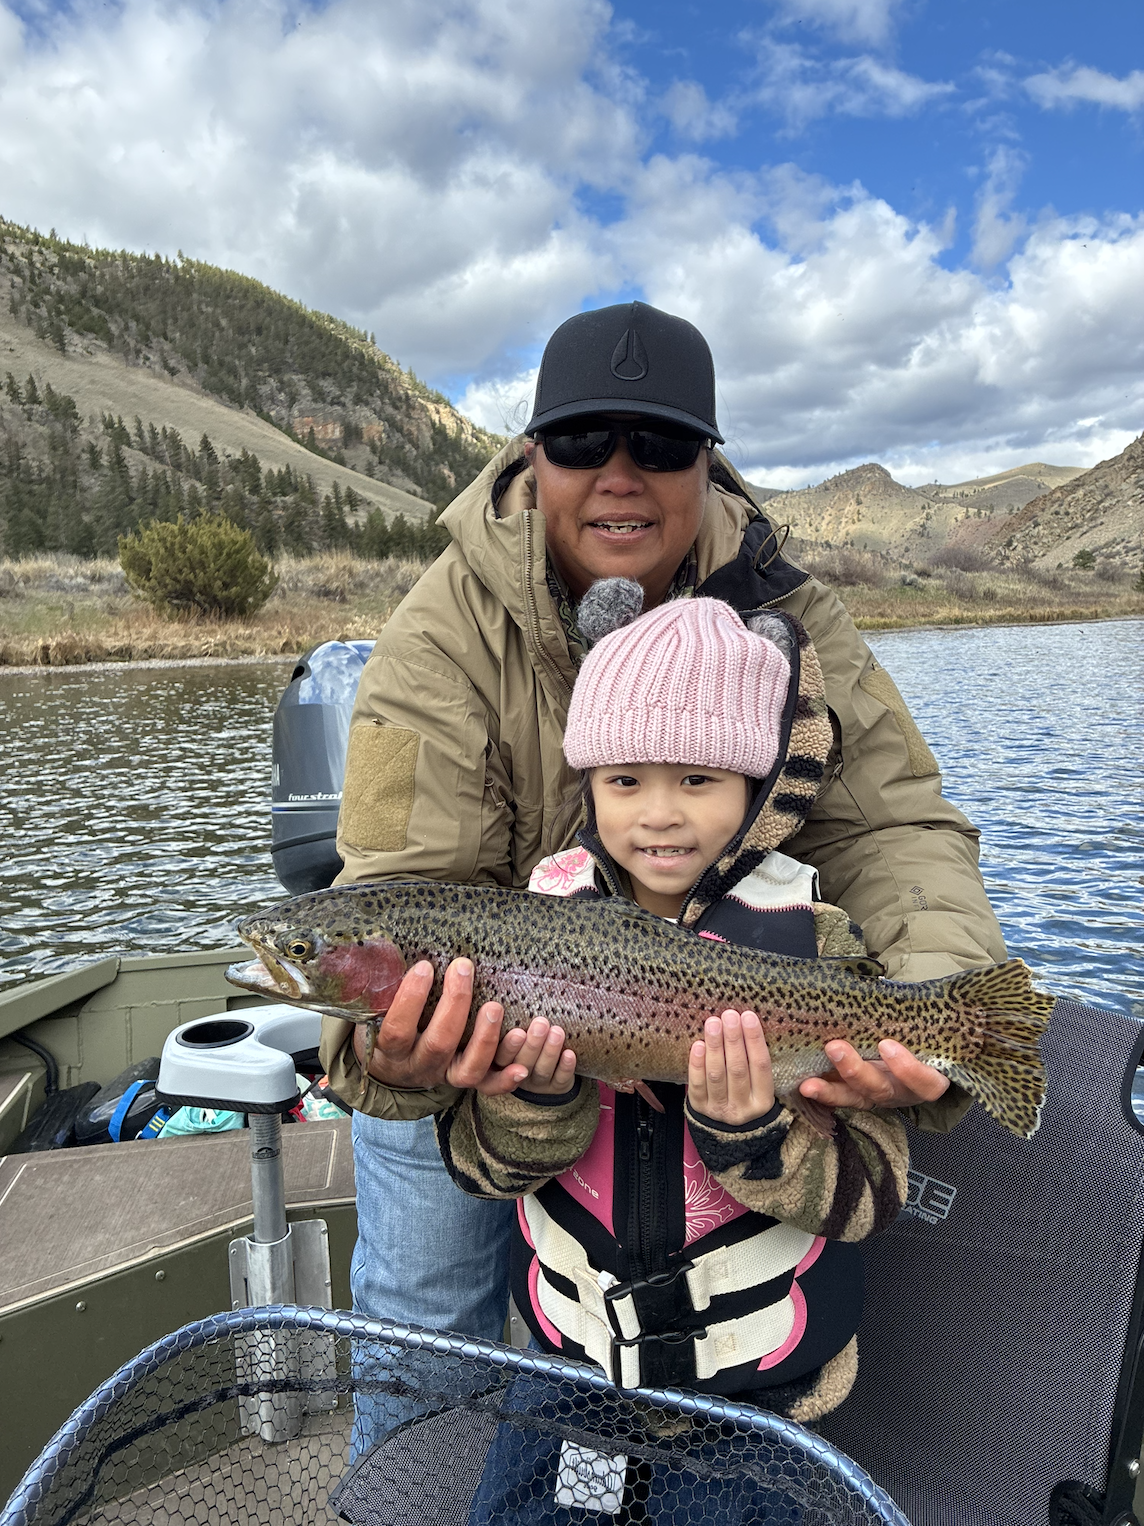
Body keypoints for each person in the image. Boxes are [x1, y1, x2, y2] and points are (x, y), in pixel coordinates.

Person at [319, 299, 1007, 1361]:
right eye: (584, 439)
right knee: (420, 1328)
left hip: (719, 1023)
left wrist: (939, 1005)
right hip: (503, 1049)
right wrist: (388, 1051)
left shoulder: (792, 609)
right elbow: (400, 892)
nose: (621, 472)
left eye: (663, 442)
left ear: (707, 465)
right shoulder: (435, 640)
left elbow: (895, 825)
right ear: (532, 455)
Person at [436, 592, 908, 1523]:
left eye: (698, 781)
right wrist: (531, 1101)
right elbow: (477, 1173)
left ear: (758, 789)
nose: (659, 815)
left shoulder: (815, 943)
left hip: (759, 1405)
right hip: (572, 1388)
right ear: (588, 785)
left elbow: (876, 1196)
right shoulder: (526, 936)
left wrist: (753, 1134)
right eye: (624, 782)